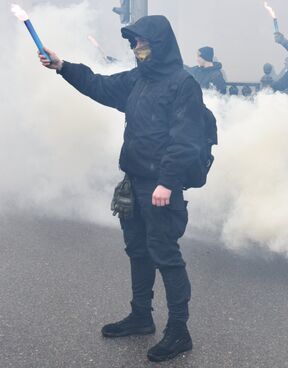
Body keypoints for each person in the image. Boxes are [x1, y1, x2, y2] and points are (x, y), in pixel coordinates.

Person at [38, 15, 206, 362]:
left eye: (141, 42)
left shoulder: (183, 83)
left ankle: (179, 331)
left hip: (161, 186)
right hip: (134, 181)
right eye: (133, 43)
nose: (136, 48)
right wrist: (63, 66)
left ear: (158, 44)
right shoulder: (137, 80)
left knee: (166, 256)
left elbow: (186, 139)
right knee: (138, 251)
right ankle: (141, 316)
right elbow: (98, 85)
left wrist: (167, 183)